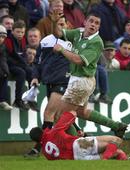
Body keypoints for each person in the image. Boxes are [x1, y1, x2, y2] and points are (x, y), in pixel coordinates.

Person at [53, 12, 128, 138]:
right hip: (83, 80)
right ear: (85, 22)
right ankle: (116, 126)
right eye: (91, 21)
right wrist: (54, 22)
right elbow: (59, 33)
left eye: (97, 23)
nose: (93, 24)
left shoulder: (97, 42)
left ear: (99, 27)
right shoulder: (78, 32)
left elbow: (79, 60)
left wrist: (62, 50)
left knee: (60, 116)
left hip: (81, 81)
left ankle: (76, 144)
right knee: (82, 112)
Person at [24, 16, 83, 158]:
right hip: (49, 82)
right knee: (59, 117)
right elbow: (38, 62)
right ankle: (80, 140)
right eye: (58, 24)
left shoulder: (74, 42)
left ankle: (39, 147)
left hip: (64, 81)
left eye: (63, 24)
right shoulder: (46, 41)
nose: (61, 27)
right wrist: (35, 76)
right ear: (53, 26)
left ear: (68, 26)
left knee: (48, 113)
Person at [29, 111, 128, 160]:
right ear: (42, 131)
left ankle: (106, 159)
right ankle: (105, 159)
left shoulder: (46, 154)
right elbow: (71, 114)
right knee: (116, 140)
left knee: (117, 152)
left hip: (78, 158)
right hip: (80, 145)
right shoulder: (53, 132)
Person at [4, 20, 29, 110]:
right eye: (18, 32)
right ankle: (18, 100)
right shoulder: (8, 40)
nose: (20, 34)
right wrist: (22, 63)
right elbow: (7, 58)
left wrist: (24, 63)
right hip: (9, 65)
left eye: (22, 32)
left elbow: (24, 55)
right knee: (21, 72)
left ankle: (30, 99)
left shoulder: (23, 40)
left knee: (31, 71)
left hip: (19, 64)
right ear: (13, 31)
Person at [0, 24, 13, 110]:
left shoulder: (3, 47)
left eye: (3, 37)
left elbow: (3, 61)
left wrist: (5, 72)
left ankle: (2, 100)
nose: (1, 39)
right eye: (0, 36)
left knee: (4, 75)